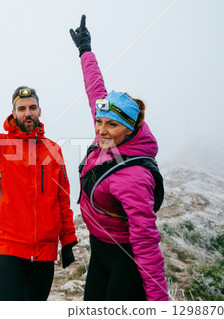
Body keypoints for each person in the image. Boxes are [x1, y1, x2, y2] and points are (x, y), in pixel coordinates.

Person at [0, 57, 78, 301]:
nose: (27, 113)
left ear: (39, 110)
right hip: (8, 247)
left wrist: (68, 239)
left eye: (32, 107)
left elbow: (62, 198)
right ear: (14, 113)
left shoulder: (53, 150)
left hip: (45, 250)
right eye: (22, 108)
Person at [69, 15, 169, 301]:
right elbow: (95, 89)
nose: (101, 129)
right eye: (100, 121)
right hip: (100, 248)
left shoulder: (133, 177)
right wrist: (85, 50)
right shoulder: (108, 135)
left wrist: (160, 302)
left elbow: (146, 241)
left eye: (111, 125)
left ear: (130, 127)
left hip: (126, 258)